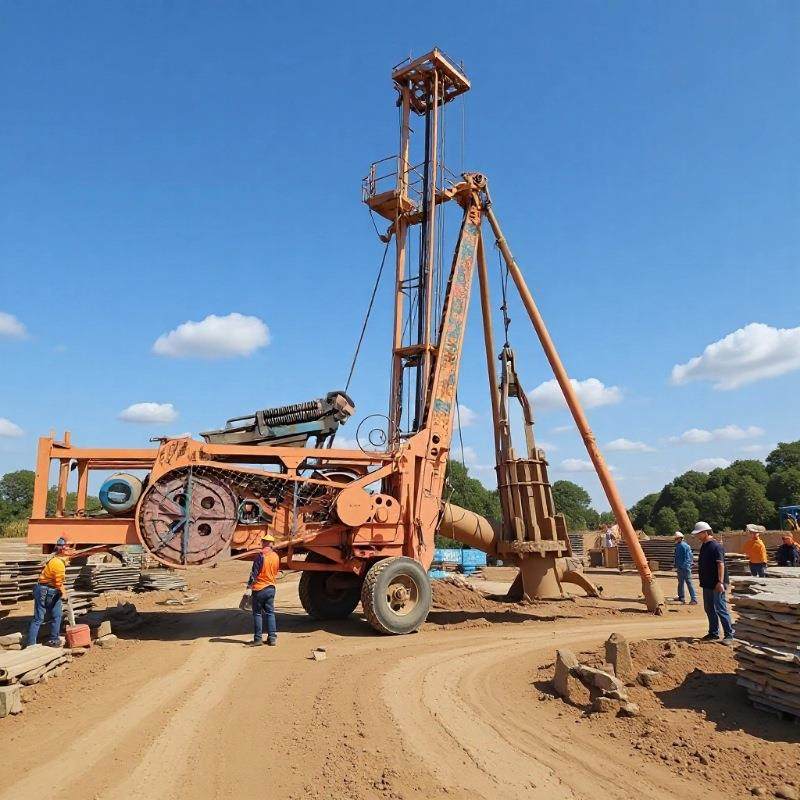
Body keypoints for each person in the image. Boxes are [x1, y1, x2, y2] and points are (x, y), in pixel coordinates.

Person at [691, 521, 734, 644]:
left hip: (717, 584)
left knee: (720, 608)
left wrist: (720, 582)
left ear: (705, 532)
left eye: (698, 534)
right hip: (707, 583)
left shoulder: (716, 546)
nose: (697, 536)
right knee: (709, 608)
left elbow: (720, 564)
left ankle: (729, 635)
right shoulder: (704, 545)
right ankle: (713, 633)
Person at [27, 536, 71, 648]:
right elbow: (58, 583)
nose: (71, 552)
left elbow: (59, 582)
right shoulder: (59, 564)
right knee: (39, 618)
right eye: (69, 549)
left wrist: (63, 591)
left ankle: (53, 640)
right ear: (63, 551)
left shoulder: (57, 561)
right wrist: (64, 594)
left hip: (49, 589)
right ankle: (32, 645)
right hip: (45, 590)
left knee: (57, 615)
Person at [246, 532, 280, 646]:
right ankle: (272, 638)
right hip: (271, 587)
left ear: (264, 543)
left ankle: (258, 639)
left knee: (257, 614)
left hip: (259, 588)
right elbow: (275, 572)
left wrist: (249, 586)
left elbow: (254, 574)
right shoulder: (276, 556)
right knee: (270, 613)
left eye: (263, 541)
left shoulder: (260, 556)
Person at [672, 531, 697, 604]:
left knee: (688, 582)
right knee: (681, 582)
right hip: (681, 566)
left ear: (680, 538)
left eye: (676, 538)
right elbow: (679, 557)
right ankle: (681, 597)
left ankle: (694, 599)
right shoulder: (680, 545)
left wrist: (685, 566)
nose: (675, 540)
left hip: (684, 567)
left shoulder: (683, 546)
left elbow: (687, 557)